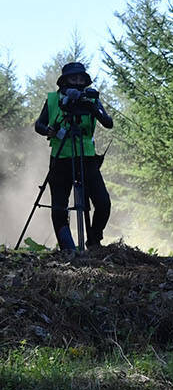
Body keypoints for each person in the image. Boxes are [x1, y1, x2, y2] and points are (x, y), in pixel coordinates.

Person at [32, 61, 112, 252]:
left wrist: (92, 108)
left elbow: (108, 123)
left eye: (80, 78)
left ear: (85, 81)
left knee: (103, 202)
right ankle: (67, 249)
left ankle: (93, 240)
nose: (77, 81)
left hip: (87, 159)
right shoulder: (53, 100)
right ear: (64, 81)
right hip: (60, 160)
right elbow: (38, 125)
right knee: (59, 207)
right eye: (73, 78)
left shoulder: (91, 99)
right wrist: (49, 131)